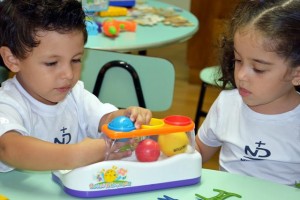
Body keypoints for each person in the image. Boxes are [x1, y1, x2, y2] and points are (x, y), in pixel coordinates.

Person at [0, 0, 152, 172]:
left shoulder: (75, 94)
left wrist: (127, 118)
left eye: (76, 60)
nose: (69, 74)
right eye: (52, 63)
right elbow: (8, 148)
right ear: (12, 59)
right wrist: (78, 154)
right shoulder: (6, 104)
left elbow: (104, 119)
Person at [196, 0, 300, 186]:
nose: (241, 75)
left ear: (296, 74)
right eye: (238, 60)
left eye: (258, 69)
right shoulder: (226, 104)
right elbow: (197, 154)